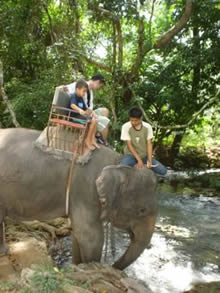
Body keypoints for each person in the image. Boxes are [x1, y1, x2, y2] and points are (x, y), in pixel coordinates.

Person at [120, 106, 167, 176]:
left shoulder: (147, 127)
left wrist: (150, 161)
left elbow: (149, 144)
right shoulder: (125, 126)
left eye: (135, 120)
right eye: (131, 120)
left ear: (141, 118)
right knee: (122, 168)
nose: (133, 122)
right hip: (130, 155)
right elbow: (129, 145)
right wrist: (139, 160)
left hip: (144, 155)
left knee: (163, 171)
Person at [64, 74, 110, 144]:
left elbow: (88, 107)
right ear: (97, 82)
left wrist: (92, 112)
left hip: (87, 111)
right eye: (100, 86)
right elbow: (67, 88)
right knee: (105, 121)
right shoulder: (82, 85)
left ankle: (97, 135)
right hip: (79, 113)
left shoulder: (90, 92)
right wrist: (63, 87)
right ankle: (103, 141)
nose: (99, 88)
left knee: (105, 111)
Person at [69, 79, 99, 151]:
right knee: (93, 121)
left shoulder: (81, 98)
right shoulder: (74, 96)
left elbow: (86, 109)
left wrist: (91, 112)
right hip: (74, 117)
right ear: (77, 89)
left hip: (80, 117)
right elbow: (72, 105)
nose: (85, 93)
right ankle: (87, 140)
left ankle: (92, 139)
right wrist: (79, 110)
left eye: (86, 91)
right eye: (84, 91)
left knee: (95, 120)